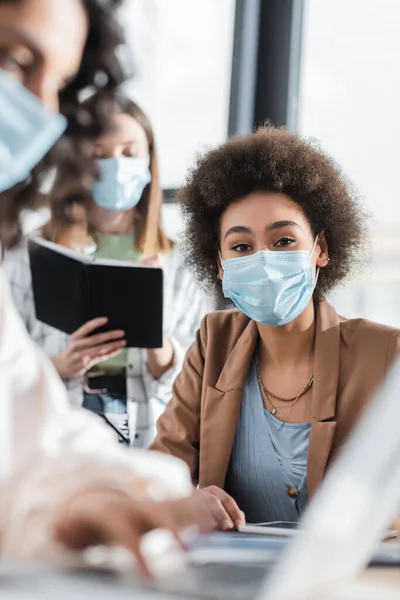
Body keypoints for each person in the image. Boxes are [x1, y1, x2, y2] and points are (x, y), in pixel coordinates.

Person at [0, 0, 225, 569]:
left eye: (58, 82)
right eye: (14, 59)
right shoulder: (29, 255)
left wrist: (87, 494)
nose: (36, 108)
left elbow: (28, 450)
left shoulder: (180, 265)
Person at [150, 126, 400, 532]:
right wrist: (182, 497)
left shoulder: (386, 352)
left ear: (320, 248)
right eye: (242, 247)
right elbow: (161, 469)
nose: (264, 261)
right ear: (219, 263)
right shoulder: (214, 342)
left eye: (283, 241)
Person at [3, 90, 212, 447]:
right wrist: (59, 365)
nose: (116, 165)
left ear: (149, 162)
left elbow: (198, 381)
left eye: (129, 153)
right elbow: (7, 367)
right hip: (55, 432)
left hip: (147, 436)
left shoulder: (181, 265)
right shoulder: (28, 255)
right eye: (99, 156)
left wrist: (158, 343)